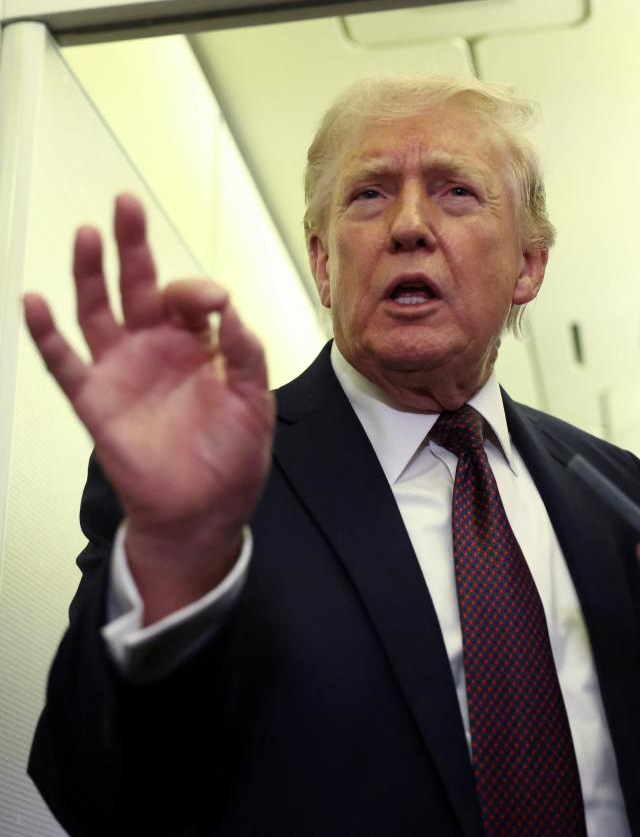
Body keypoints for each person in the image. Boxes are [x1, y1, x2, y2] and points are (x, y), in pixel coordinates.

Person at [26, 75, 640, 836]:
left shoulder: (619, 497)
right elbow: (95, 790)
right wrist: (171, 565)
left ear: (529, 264)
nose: (410, 225)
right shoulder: (211, 480)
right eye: (369, 196)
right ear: (323, 263)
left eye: (456, 192)